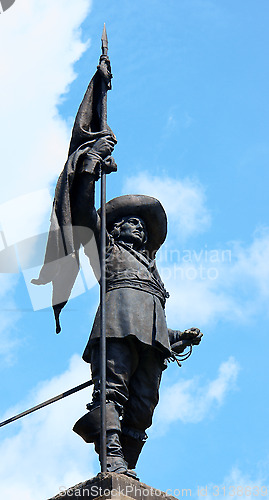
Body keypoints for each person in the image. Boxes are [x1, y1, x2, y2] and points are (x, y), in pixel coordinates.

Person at [71, 134, 203, 478]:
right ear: (115, 228)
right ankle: (111, 459)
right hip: (115, 325)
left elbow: (153, 316)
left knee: (144, 406)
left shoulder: (153, 273)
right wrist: (90, 166)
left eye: (144, 227)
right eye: (133, 222)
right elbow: (84, 212)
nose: (140, 228)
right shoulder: (107, 251)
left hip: (152, 341)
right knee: (112, 392)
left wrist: (180, 335)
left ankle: (126, 465)